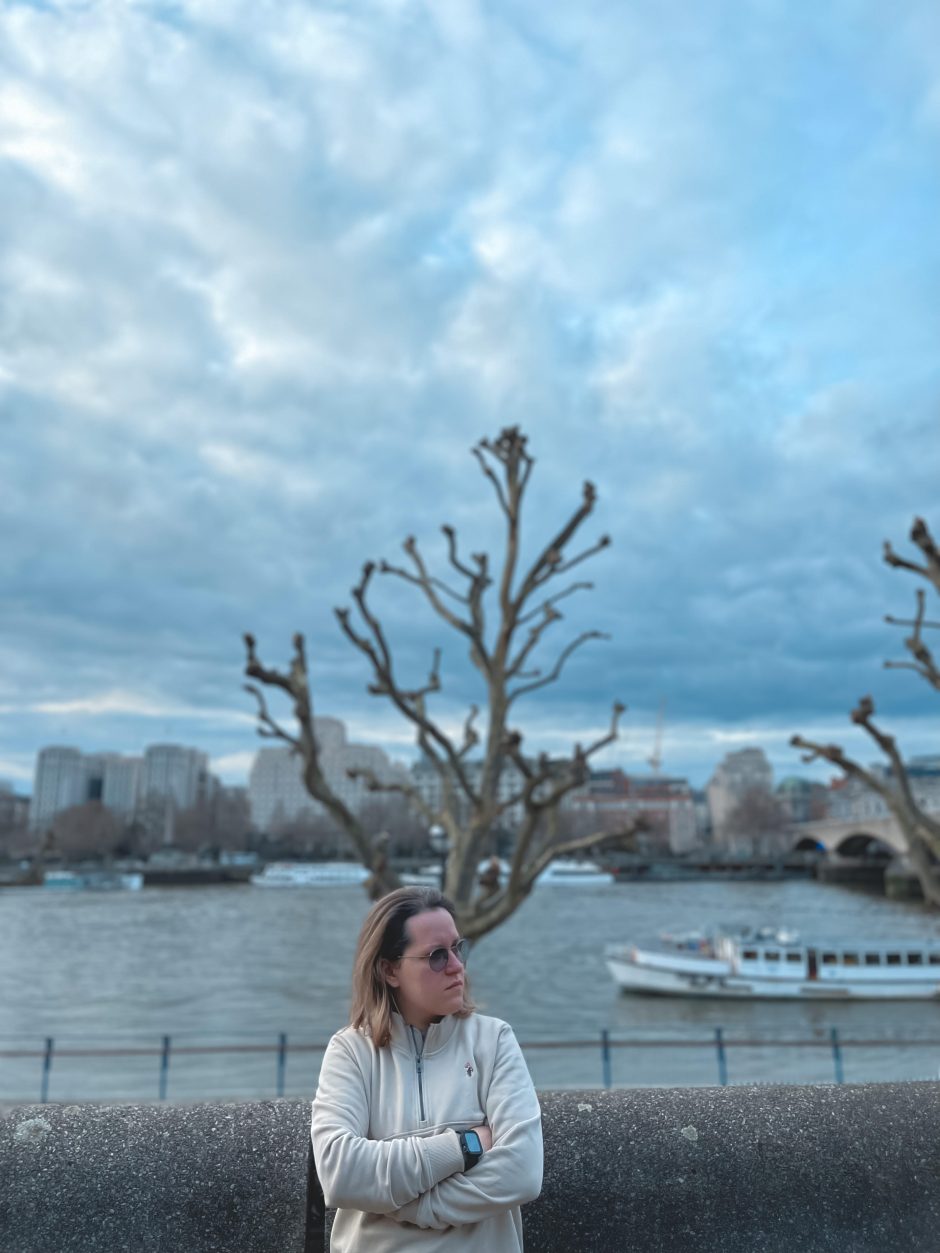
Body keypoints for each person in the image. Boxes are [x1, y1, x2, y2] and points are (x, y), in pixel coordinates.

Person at [311, 886, 543, 1250]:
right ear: (390, 970)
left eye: (457, 948)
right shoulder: (350, 1051)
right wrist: (462, 1147)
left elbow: (522, 1172)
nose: (456, 966)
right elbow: (339, 1173)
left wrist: (410, 1204)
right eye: (436, 956)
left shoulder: (493, 1041)